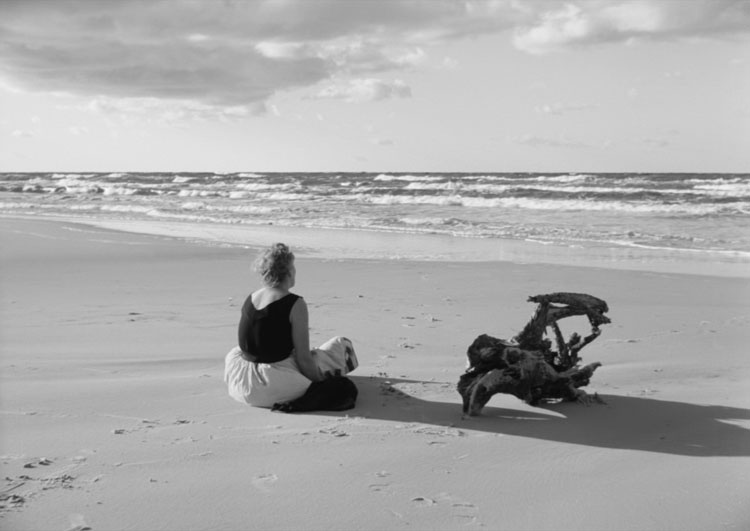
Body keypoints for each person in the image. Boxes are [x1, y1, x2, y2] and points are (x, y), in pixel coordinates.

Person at [224, 243, 357, 408]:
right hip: (274, 385)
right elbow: (303, 359)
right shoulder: (295, 303)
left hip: (241, 383)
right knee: (341, 345)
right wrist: (320, 384)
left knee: (244, 350)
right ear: (287, 271)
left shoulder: (252, 297)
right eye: (293, 266)